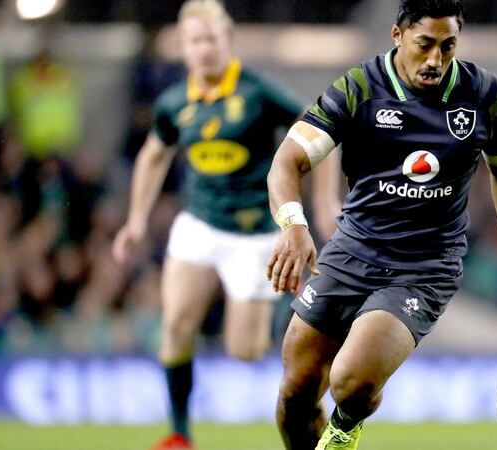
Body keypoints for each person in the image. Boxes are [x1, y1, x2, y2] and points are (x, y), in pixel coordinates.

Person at [266, 1, 497, 448]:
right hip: (351, 251)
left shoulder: (485, 96)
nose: (436, 59)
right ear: (398, 36)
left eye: (448, 47)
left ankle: (344, 430)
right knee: (296, 390)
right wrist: (294, 226)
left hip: (424, 266)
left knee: (351, 381)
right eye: (425, 45)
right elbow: (288, 161)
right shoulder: (359, 87)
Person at [111, 1, 339, 449]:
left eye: (211, 39)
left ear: (228, 42)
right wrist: (136, 219)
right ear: (183, 47)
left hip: (254, 235)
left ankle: (294, 330)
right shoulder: (176, 102)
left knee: (245, 350)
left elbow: (320, 135)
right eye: (195, 41)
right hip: (199, 225)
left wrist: (326, 202)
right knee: (175, 324)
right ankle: (180, 434)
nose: (204, 49)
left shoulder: (259, 93)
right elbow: (154, 154)